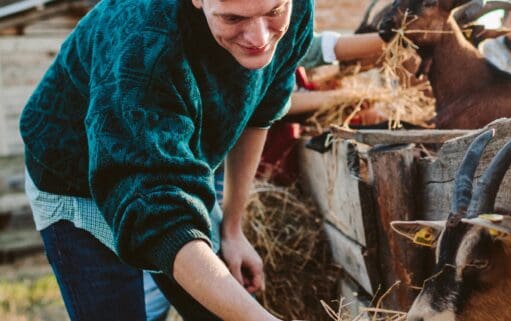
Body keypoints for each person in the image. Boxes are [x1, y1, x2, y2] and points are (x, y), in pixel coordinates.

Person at [18, 0, 313, 320]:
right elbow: (159, 214)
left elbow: (259, 112)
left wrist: (232, 229)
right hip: (74, 174)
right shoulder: (144, 41)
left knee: (222, 303)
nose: (259, 38)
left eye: (273, 12)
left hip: (167, 159)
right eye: (232, 18)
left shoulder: (294, 10)